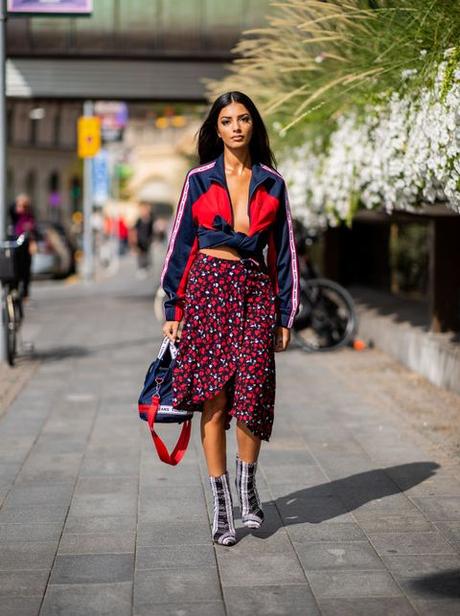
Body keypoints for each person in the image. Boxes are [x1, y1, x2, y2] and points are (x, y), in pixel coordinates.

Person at [160, 91, 300, 546]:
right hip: (207, 291)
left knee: (255, 391)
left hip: (256, 293)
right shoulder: (198, 180)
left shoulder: (272, 182)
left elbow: (284, 253)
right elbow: (181, 244)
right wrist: (173, 307)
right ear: (216, 129)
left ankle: (247, 486)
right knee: (215, 397)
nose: (236, 127)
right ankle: (222, 503)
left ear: (253, 125)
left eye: (243, 119)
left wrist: (285, 311)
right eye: (227, 120)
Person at [9, 193, 37, 300]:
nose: (22, 208)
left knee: (26, 270)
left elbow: (34, 230)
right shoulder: (15, 216)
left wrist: (33, 242)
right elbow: (10, 209)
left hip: (26, 245)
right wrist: (18, 202)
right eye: (20, 206)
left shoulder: (29, 216)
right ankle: (14, 288)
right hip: (16, 244)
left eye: (24, 206)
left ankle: (25, 292)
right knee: (15, 267)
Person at [132, 203, 155, 276]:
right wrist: (134, 239)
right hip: (140, 239)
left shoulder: (150, 219)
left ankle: (147, 266)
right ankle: (141, 267)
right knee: (140, 254)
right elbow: (135, 229)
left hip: (147, 239)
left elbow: (152, 229)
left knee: (147, 253)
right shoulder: (139, 220)